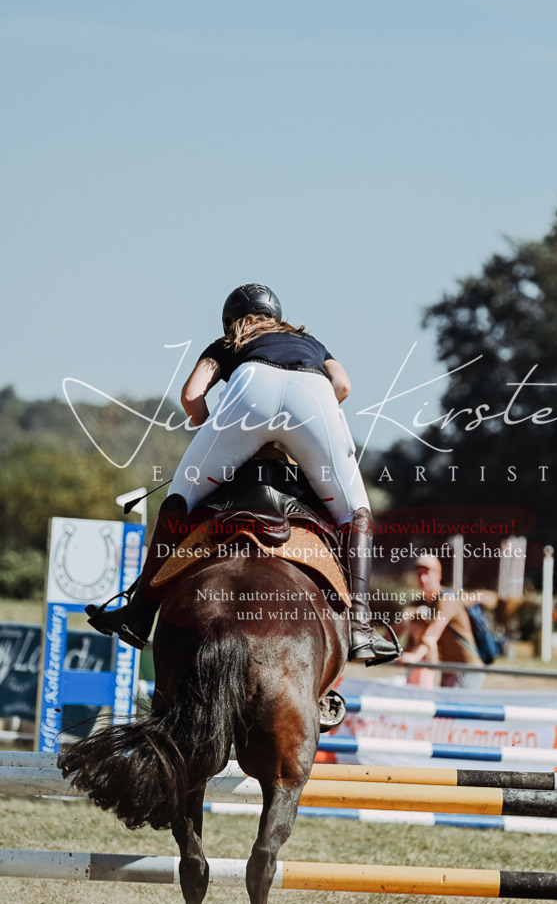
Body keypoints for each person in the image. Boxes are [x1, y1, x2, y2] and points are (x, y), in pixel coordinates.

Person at [87, 283, 400, 662]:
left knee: (180, 500)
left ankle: (138, 615)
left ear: (230, 320)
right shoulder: (310, 341)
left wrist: (210, 427)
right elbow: (344, 386)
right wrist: (305, 426)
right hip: (314, 394)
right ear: (277, 316)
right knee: (356, 513)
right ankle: (362, 628)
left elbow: (191, 395)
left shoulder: (227, 342)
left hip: (250, 390)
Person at [398, 554, 485, 689]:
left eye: (427, 573)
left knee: (454, 710)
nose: (422, 578)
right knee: (443, 709)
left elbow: (433, 633)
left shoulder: (446, 600)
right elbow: (399, 626)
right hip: (447, 669)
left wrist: (416, 656)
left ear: (438, 575)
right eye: (419, 574)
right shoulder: (421, 601)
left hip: (466, 670)